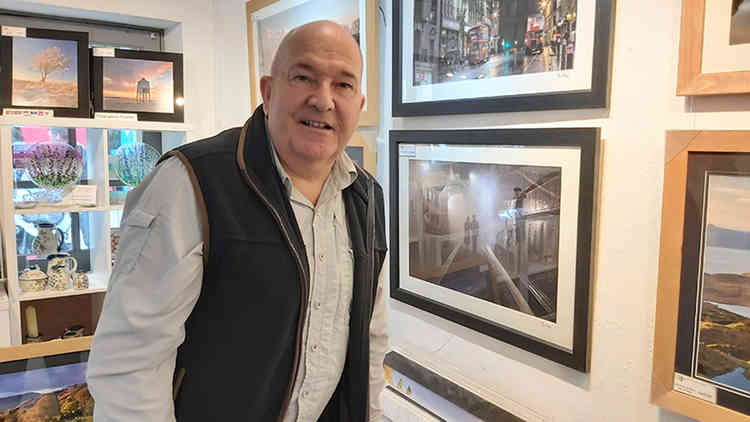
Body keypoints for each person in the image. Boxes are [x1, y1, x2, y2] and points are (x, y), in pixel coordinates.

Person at [87, 20, 388, 422]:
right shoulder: (189, 184)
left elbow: (370, 340)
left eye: (343, 85)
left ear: (360, 103)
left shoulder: (366, 199)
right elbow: (129, 364)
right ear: (267, 91)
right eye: (304, 77)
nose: (323, 100)